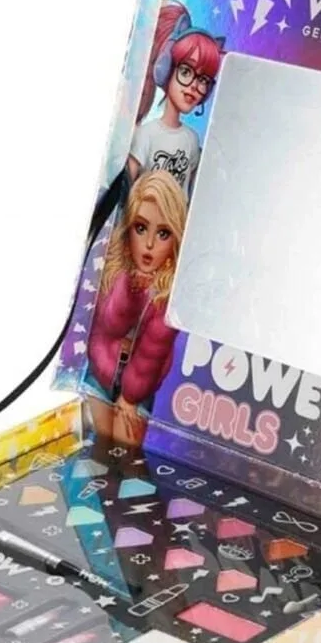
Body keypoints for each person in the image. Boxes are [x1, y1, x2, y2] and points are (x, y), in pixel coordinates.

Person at [86, 169, 188, 445]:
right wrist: (130, 289)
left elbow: (151, 355)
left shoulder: (169, 293)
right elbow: (109, 324)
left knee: (125, 452)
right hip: (100, 373)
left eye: (163, 233)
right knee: (97, 445)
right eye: (141, 228)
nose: (149, 244)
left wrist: (130, 398)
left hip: (139, 391)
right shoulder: (114, 267)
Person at [126, 1, 224, 190]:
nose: (194, 86)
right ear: (166, 68)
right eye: (186, 72)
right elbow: (125, 192)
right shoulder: (146, 134)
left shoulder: (192, 141)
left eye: (203, 80)